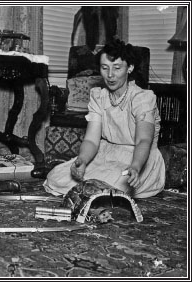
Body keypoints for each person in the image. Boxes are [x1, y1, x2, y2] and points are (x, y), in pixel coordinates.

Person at [44, 39, 165, 199]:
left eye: (117, 68)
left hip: (139, 158)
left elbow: (144, 140)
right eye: (104, 68)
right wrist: (83, 161)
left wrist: (135, 167)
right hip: (106, 154)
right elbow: (92, 140)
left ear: (129, 68)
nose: (110, 75)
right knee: (56, 177)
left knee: (109, 187)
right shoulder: (98, 96)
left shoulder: (142, 99)